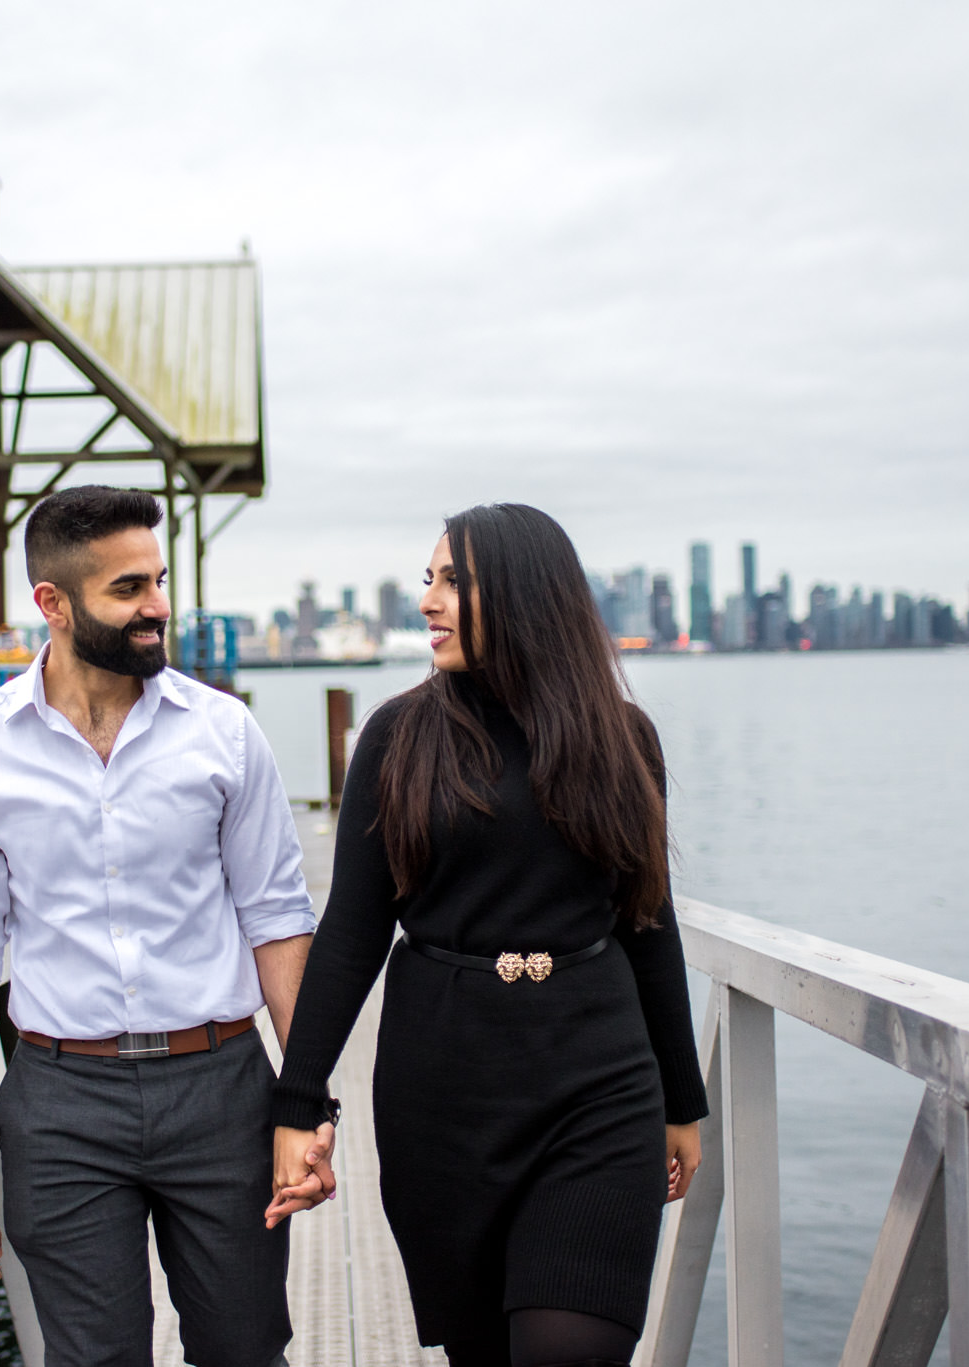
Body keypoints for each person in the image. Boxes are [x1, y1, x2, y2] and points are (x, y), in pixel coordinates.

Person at [265, 503, 709, 1367]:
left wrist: (683, 1099)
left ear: (523, 593)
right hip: (442, 1096)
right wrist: (298, 1100)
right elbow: (353, 932)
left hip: (599, 1087)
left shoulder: (623, 739)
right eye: (428, 580)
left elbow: (649, 922)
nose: (428, 600)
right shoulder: (398, 737)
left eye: (453, 580)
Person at [0, 485, 333, 1367]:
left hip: (222, 1085)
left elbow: (277, 922)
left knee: (245, 1348)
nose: (157, 607)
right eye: (128, 589)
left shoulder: (224, 734)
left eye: (159, 579)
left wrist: (307, 1107)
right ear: (52, 604)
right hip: (63, 1101)